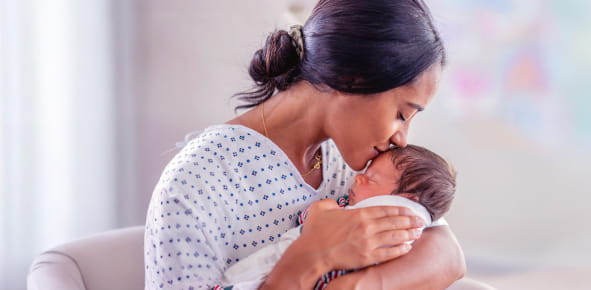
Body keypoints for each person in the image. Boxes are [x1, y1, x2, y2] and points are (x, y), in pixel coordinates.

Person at [144, 0, 467, 289]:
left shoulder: (360, 165)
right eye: (401, 114)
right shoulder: (197, 182)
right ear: (353, 77)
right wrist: (309, 259)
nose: (402, 138)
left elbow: (447, 251)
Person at [220, 145, 457, 290]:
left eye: (371, 180)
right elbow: (309, 222)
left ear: (406, 201)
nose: (358, 179)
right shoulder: (347, 205)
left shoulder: (410, 231)